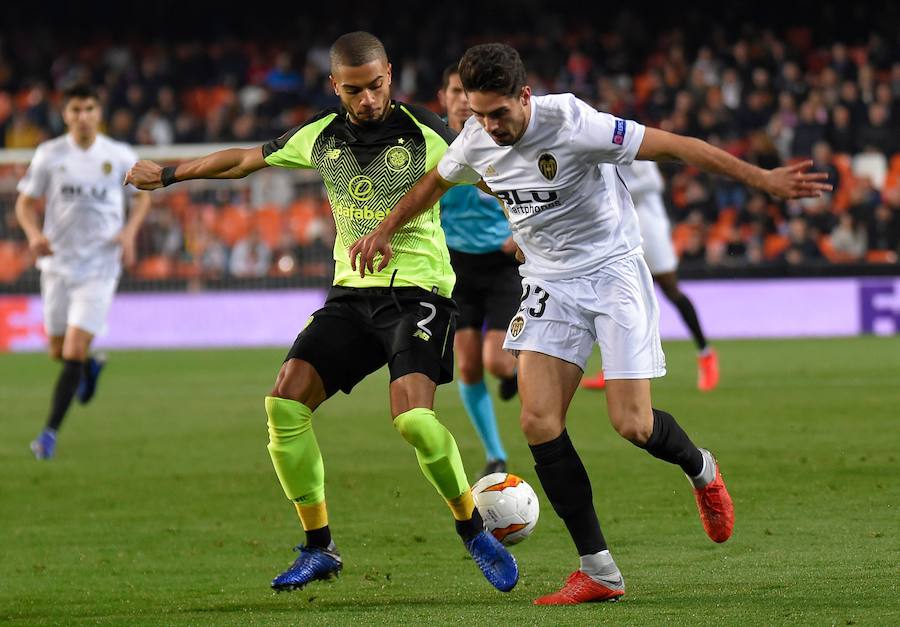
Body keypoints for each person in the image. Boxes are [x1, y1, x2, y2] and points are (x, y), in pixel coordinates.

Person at [350, 43, 830, 605]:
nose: (488, 126)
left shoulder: (575, 122)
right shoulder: (477, 138)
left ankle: (701, 467)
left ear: (525, 97)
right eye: (478, 114)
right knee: (537, 421)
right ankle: (599, 571)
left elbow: (679, 147)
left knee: (632, 424)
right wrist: (384, 230)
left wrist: (762, 179)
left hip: (613, 274)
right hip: (550, 285)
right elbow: (434, 182)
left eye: (498, 113)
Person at [125, 32, 518, 594]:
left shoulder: (427, 130)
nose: (367, 100)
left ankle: (472, 529)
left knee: (413, 420)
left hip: (419, 294)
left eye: (376, 86)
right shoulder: (320, 134)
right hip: (350, 297)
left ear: (390, 74)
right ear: (335, 86)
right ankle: (319, 546)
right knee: (284, 402)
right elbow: (244, 159)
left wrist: (527, 232)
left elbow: (499, 178)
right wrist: (167, 175)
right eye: (354, 90)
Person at [15, 83, 150, 460]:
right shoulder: (49, 154)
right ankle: (89, 366)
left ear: (99, 112)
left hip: (99, 266)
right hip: (56, 264)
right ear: (65, 114)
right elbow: (24, 204)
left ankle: (48, 434)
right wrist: (33, 235)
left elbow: (141, 198)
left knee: (72, 347)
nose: (83, 116)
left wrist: (129, 233)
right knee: (58, 351)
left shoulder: (119, 154)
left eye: (89, 108)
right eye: (75, 110)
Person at [438, 64, 520, 478]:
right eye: (454, 91)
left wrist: (519, 232)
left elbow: (520, 191)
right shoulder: (432, 147)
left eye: (464, 93)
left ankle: (516, 370)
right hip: (458, 267)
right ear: (445, 97)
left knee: (498, 364)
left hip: (502, 262)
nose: (460, 100)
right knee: (467, 366)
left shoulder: (496, 140)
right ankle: (495, 453)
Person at [581, 160, 719, 392]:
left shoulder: (625, 142)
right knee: (621, 298)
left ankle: (706, 354)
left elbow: (654, 182)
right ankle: (614, 369)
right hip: (622, 229)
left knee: (671, 291)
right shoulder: (595, 144)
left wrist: (613, 191)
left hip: (649, 226)